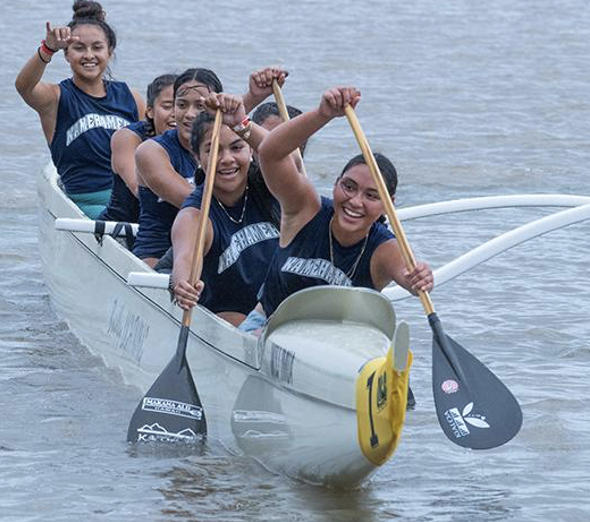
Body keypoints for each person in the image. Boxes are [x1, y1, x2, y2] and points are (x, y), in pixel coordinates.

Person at [241, 86, 434, 332]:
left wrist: (419, 279)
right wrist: (323, 114)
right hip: (265, 328)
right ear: (336, 183)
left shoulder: (385, 248)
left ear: (388, 204)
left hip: (334, 344)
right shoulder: (306, 209)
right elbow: (270, 153)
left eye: (371, 196)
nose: (355, 201)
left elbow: (410, 275)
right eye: (349, 187)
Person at [133, 67, 288, 267]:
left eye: (200, 106)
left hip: (224, 247)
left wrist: (254, 96)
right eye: (181, 105)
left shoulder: (228, 144)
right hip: (162, 254)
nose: (190, 114)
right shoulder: (150, 151)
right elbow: (206, 207)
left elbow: (282, 156)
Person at [15, 0, 145, 217]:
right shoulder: (55, 98)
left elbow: (156, 146)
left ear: (109, 52)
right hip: (88, 206)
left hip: (134, 198)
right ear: (66, 54)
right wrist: (47, 50)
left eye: (97, 47)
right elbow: (24, 86)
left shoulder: (131, 97)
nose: (89, 55)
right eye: (78, 48)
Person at [168, 94, 283, 326]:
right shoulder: (195, 215)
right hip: (230, 322)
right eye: (213, 150)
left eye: (236, 147)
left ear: (250, 150)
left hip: (279, 312)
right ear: (198, 158)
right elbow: (186, 257)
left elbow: (282, 153)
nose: (227, 159)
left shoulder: (272, 185)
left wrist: (242, 123)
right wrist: (183, 284)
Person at [98, 73, 177, 224]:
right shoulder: (128, 138)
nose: (175, 114)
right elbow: (140, 191)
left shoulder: (194, 140)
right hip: (122, 227)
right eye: (167, 106)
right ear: (150, 111)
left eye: (182, 106)